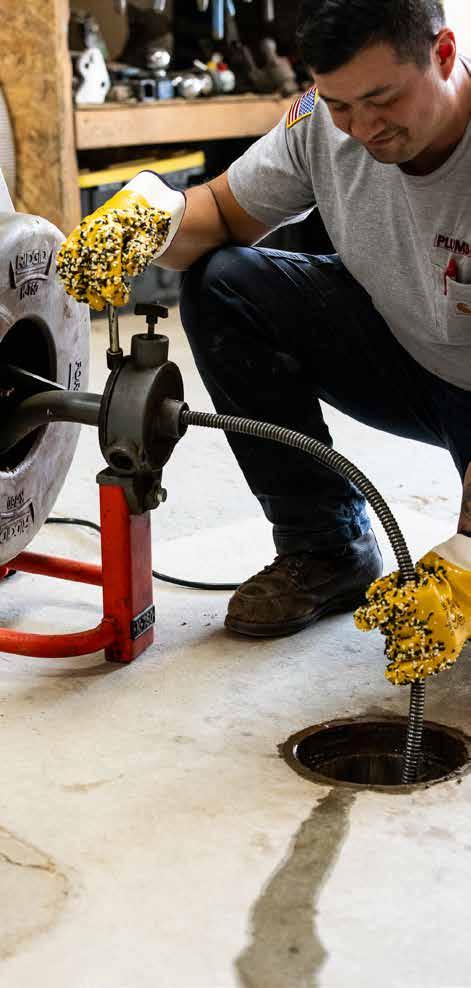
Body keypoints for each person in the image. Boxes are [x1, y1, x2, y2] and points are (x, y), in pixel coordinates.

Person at [57, 0, 471, 685]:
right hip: (407, 345)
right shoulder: (321, 122)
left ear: (444, 53)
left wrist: (464, 558)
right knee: (224, 282)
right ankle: (327, 549)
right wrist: (151, 217)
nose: (362, 128)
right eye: (341, 104)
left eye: (381, 100)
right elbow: (223, 212)